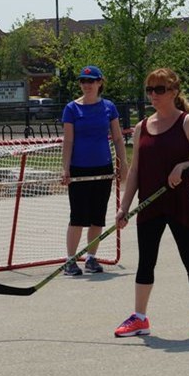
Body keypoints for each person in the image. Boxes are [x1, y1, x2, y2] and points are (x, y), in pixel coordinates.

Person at [113, 68, 189, 338]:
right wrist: (124, 207)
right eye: (149, 90)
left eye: (159, 89)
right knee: (146, 262)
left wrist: (184, 166)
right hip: (150, 204)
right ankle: (140, 318)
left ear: (173, 92)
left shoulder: (187, 122)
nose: (153, 95)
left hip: (180, 202)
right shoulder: (142, 127)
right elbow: (135, 170)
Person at [61, 65, 128, 276]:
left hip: (103, 168)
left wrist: (123, 163)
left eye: (91, 81)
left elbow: (118, 138)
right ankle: (70, 260)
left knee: (97, 216)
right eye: (83, 81)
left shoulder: (109, 107)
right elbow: (68, 141)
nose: (86, 85)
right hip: (79, 169)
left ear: (100, 83)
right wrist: (65, 169)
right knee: (78, 216)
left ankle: (91, 257)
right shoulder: (72, 109)